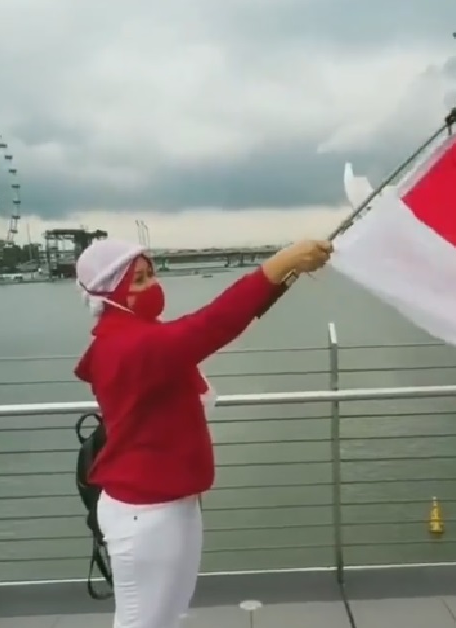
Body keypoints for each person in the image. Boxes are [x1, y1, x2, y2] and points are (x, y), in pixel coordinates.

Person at [72, 239, 332, 628]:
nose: (153, 285)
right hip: (146, 515)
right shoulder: (130, 345)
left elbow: (225, 322)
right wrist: (278, 265)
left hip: (170, 505)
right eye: (139, 280)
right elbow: (213, 324)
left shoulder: (137, 335)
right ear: (109, 294)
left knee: (167, 617)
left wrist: (286, 275)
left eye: (151, 274)